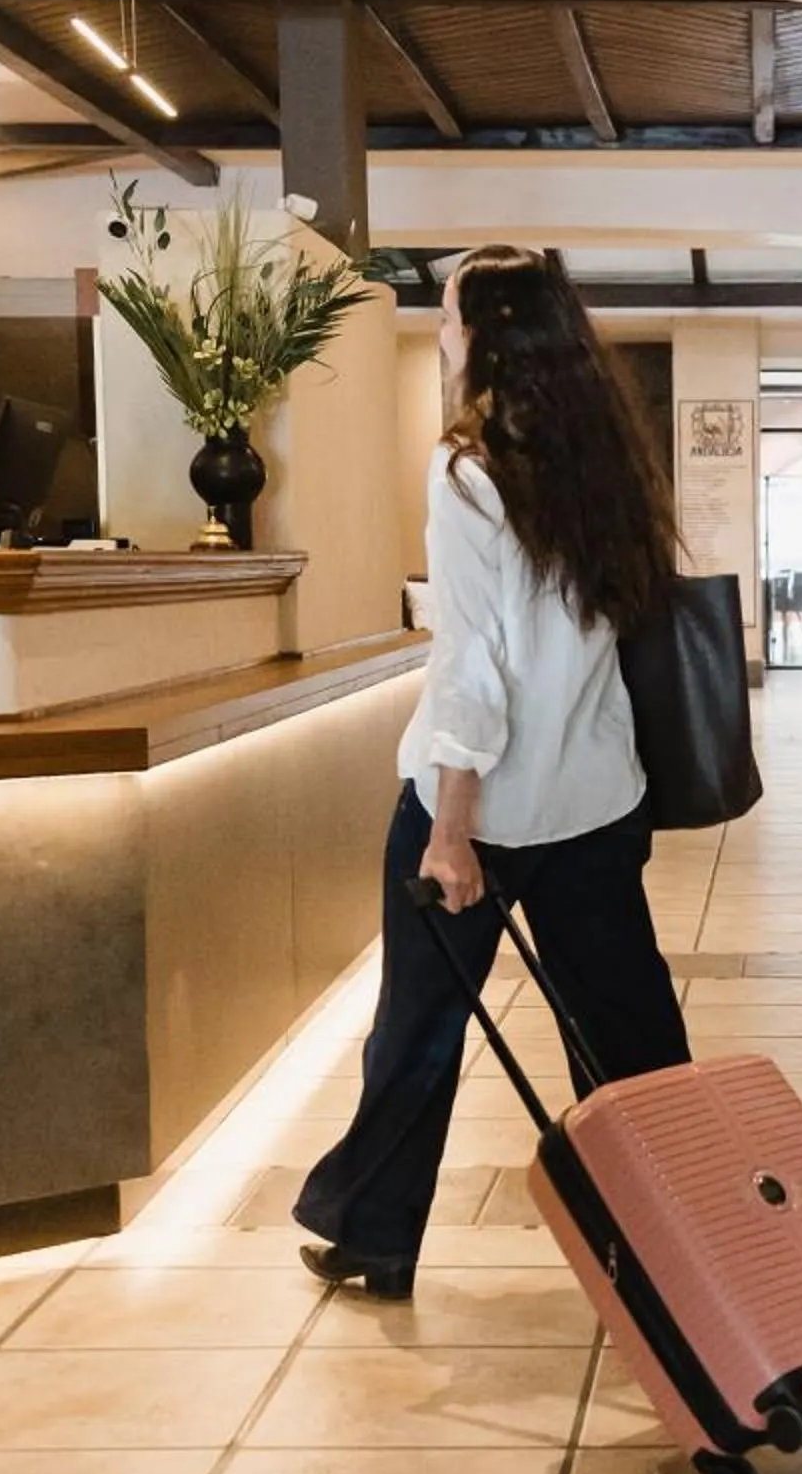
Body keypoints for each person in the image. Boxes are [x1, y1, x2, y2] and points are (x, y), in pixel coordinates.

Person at [295, 242, 690, 1299]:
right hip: (596, 796)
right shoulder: (606, 457)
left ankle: (375, 1235)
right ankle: (674, 1238)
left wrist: (451, 828)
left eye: (451, 314)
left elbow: (472, 664)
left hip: (481, 801)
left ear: (489, 339)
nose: (442, 331)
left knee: (420, 1026)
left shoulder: (468, 469)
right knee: (624, 1025)